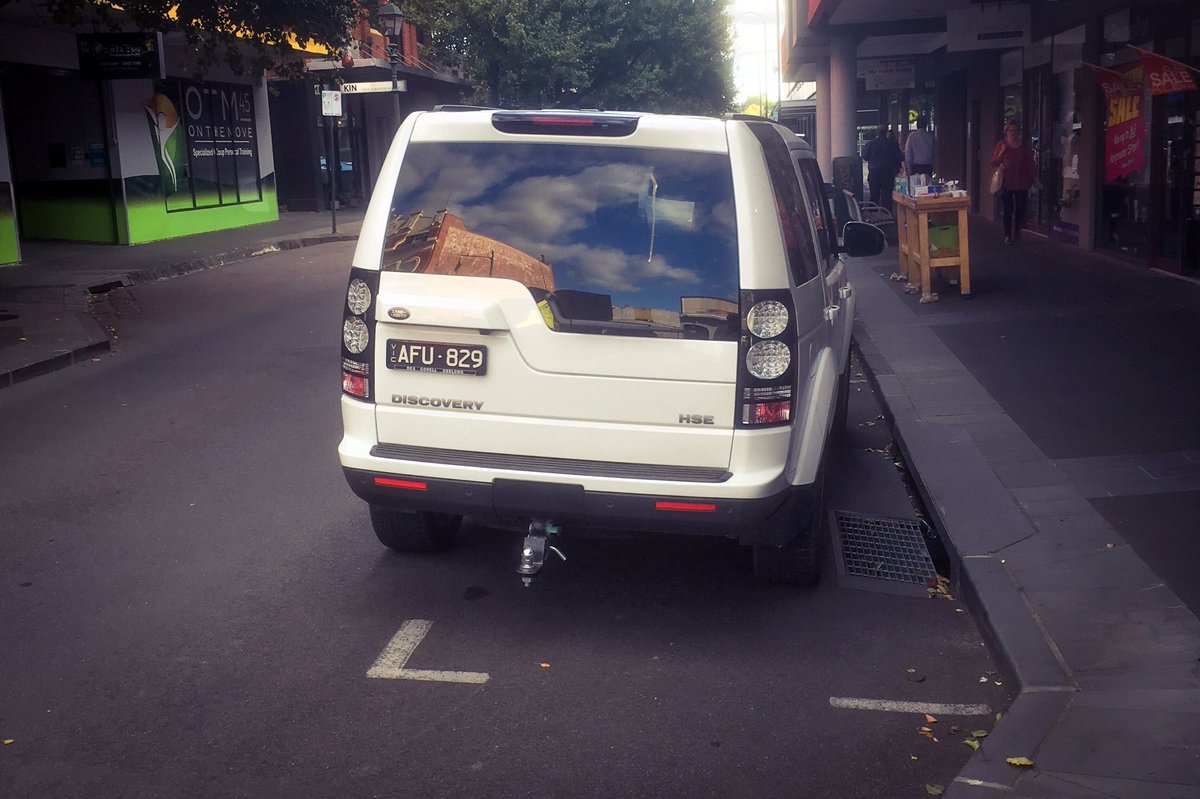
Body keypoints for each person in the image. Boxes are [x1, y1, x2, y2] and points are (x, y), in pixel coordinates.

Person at [990, 121, 1041, 244]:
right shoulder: (1001, 145)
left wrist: (1033, 177)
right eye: (1011, 131)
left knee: (1020, 207)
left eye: (1015, 131)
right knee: (1008, 208)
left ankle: (1017, 230)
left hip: (1022, 181)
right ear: (1006, 132)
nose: (1013, 133)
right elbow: (994, 162)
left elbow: (1030, 163)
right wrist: (1002, 152)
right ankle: (1007, 234)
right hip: (1007, 181)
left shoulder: (1024, 146)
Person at [861, 125, 903, 210]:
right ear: (886, 132)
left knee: (874, 196)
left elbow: (864, 156)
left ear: (877, 132)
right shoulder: (892, 144)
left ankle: (873, 215)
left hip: (874, 173)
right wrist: (896, 169)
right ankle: (887, 215)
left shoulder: (871, 144)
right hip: (888, 173)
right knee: (887, 196)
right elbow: (898, 157)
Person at [904, 117, 937, 183]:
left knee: (916, 187)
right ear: (926, 125)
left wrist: (908, 167)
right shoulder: (931, 137)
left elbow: (908, 152)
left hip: (915, 166)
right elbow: (935, 152)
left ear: (917, 125)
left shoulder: (911, 136)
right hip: (928, 166)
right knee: (927, 186)